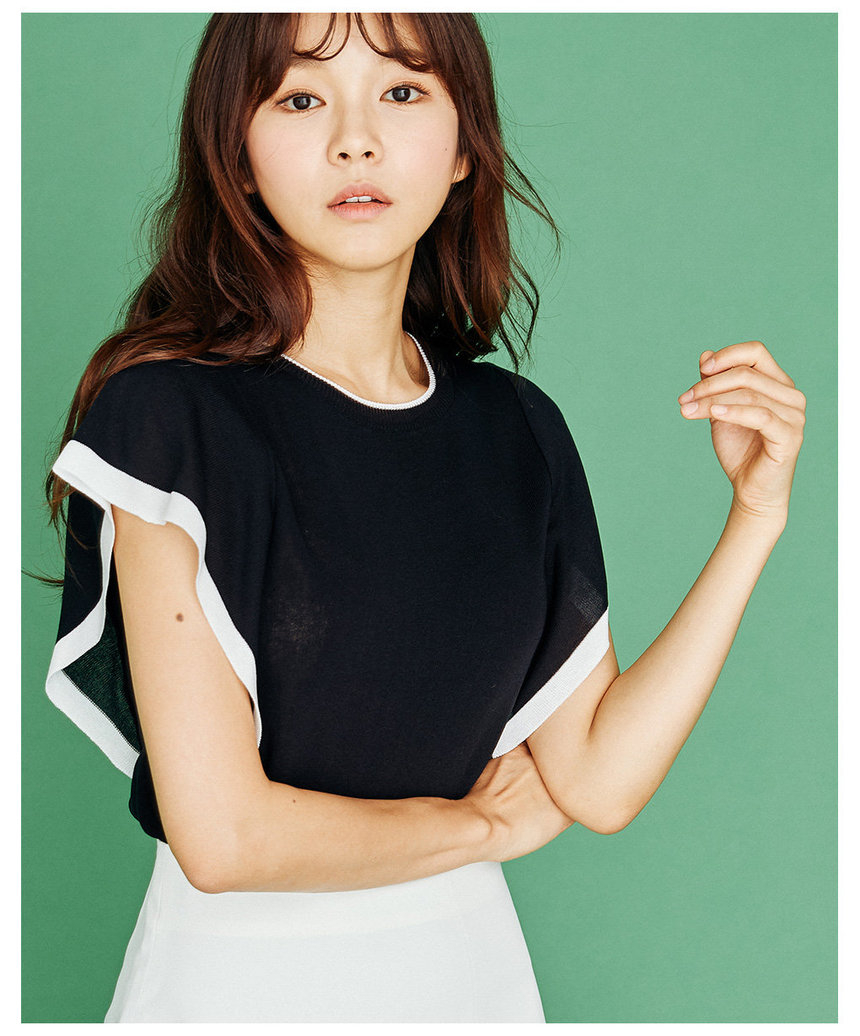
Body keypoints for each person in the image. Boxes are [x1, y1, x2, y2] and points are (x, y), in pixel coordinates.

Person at [39, 12, 806, 1024]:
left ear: (462, 146)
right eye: (300, 98)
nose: (354, 140)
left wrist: (754, 515)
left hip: (467, 977)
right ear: (238, 154)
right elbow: (223, 839)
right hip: (233, 987)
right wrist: (477, 830)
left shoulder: (514, 429)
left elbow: (599, 779)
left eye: (401, 91)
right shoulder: (169, 421)